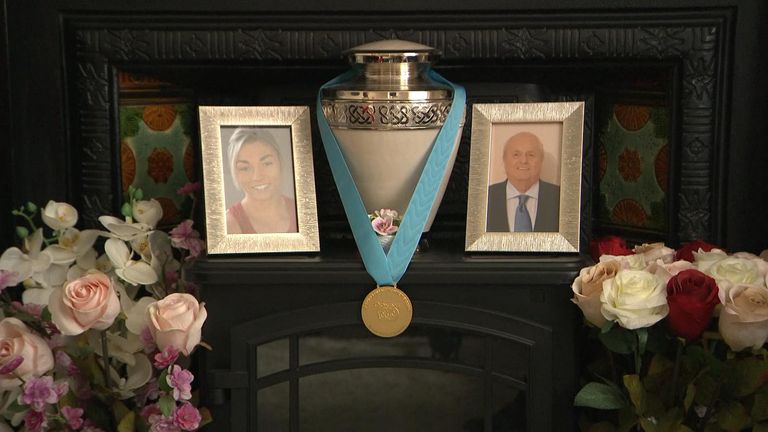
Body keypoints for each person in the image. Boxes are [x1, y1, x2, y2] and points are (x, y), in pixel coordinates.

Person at [225, 128, 298, 234]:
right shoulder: (228, 225)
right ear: (234, 173)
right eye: (245, 168)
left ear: (280, 163)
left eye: (267, 163)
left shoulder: (301, 211)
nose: (257, 176)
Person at [486, 131, 560, 232]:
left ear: (541, 159)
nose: (524, 160)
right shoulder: (485, 197)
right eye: (516, 155)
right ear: (504, 159)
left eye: (531, 155)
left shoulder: (560, 197)